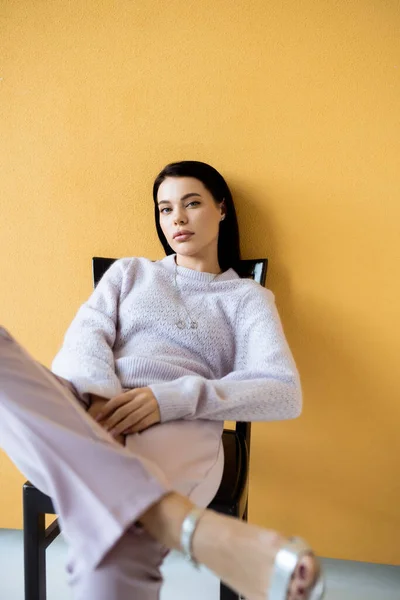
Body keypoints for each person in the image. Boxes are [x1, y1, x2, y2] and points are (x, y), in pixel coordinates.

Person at [0, 161, 325, 600]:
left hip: (180, 428)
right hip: (86, 411)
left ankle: (143, 505)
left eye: (192, 203)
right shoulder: (130, 272)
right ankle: (177, 520)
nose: (177, 218)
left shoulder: (246, 298)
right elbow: (84, 339)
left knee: (119, 541)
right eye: (165, 208)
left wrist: (170, 399)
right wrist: (97, 402)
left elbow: (283, 391)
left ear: (222, 209)